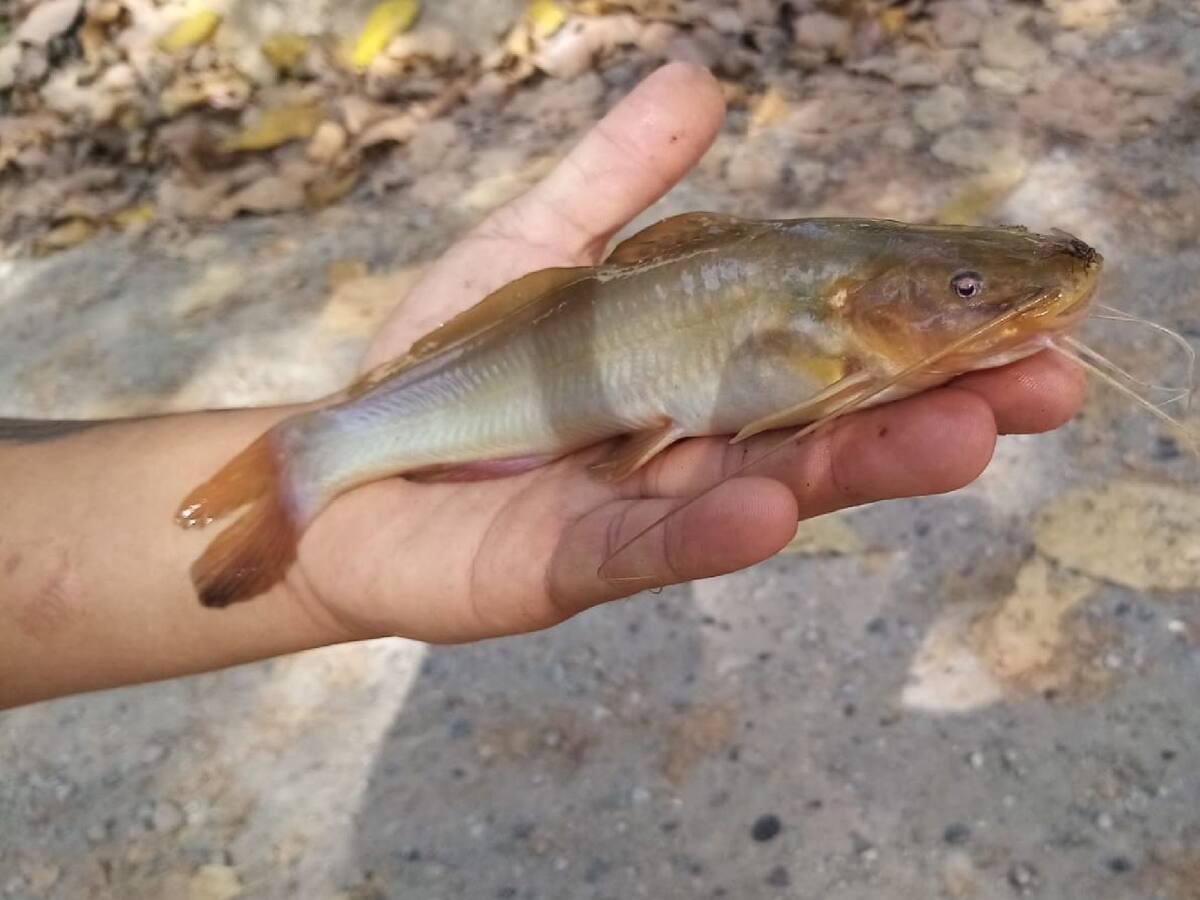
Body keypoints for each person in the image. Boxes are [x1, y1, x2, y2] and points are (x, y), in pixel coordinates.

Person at [0, 63, 1084, 708]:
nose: (991, 304)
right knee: (334, 438)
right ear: (856, 305)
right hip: (550, 386)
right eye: (968, 288)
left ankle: (319, 447)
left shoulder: (846, 307)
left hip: (587, 392)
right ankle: (316, 452)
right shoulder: (826, 321)